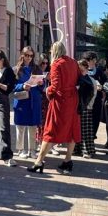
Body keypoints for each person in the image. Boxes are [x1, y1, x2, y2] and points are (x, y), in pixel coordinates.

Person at [27, 40, 82, 175]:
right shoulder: (73, 62)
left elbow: (55, 86)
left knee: (50, 130)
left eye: (51, 50)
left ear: (55, 51)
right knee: (71, 130)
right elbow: (78, 78)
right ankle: (68, 160)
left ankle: (39, 162)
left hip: (60, 101)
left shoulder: (57, 64)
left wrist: (47, 91)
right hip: (73, 99)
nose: (50, 52)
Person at [12, 46, 42, 160]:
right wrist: (22, 86)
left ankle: (32, 150)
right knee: (20, 126)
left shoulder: (36, 68)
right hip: (21, 100)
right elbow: (12, 86)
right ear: (22, 55)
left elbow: (42, 86)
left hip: (34, 100)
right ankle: (20, 150)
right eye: (26, 55)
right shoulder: (16, 69)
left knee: (32, 126)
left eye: (31, 55)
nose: (29, 58)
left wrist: (41, 83)